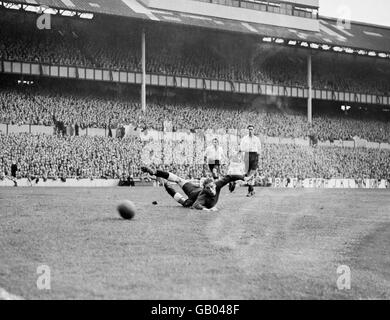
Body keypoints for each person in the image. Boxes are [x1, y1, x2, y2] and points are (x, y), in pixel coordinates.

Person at [141, 166, 248, 211]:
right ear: (205, 188)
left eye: (212, 187)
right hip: (193, 193)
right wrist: (207, 209)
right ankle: (156, 173)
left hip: (196, 190)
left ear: (215, 185)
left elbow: (229, 177)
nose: (211, 190)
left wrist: (242, 177)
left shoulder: (217, 184)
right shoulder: (204, 195)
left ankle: (164, 182)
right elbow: (196, 205)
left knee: (183, 199)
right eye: (208, 188)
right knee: (184, 198)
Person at [239, 124, 262, 197]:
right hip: (247, 155)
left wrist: (258, 158)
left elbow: (259, 149)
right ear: (247, 130)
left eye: (251, 129)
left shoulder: (257, 139)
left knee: (251, 174)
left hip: (254, 156)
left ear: (253, 130)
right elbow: (241, 148)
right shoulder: (244, 139)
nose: (250, 130)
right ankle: (252, 190)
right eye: (249, 129)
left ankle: (249, 191)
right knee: (248, 174)